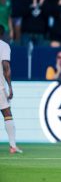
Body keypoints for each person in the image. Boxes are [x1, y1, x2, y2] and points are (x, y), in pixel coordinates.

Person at [0, 24, 22, 154]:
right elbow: (6, 66)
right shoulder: (3, 46)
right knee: (7, 113)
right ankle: (13, 146)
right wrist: (10, 86)